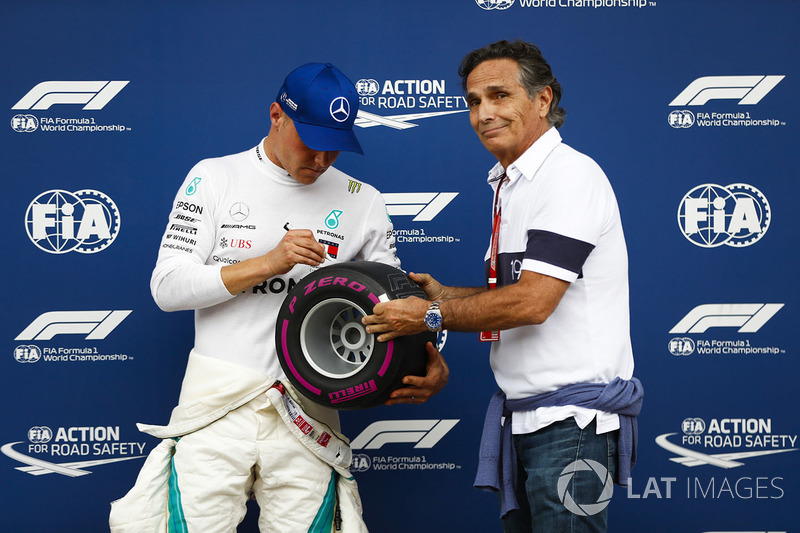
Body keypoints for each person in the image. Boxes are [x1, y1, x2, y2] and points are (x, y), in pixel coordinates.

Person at [109, 62, 448, 533]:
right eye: (311, 142)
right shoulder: (214, 177)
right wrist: (268, 263)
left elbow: (398, 303)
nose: (322, 159)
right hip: (215, 404)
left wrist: (428, 351)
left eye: (335, 147)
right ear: (276, 115)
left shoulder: (361, 198)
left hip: (310, 411)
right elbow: (167, 287)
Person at [362, 41, 642, 532]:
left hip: (573, 426)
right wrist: (445, 296)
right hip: (531, 421)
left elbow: (533, 302)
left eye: (499, 95)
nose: (484, 113)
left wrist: (429, 316)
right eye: (473, 101)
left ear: (542, 100)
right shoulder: (512, 182)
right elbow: (519, 288)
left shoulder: (569, 175)